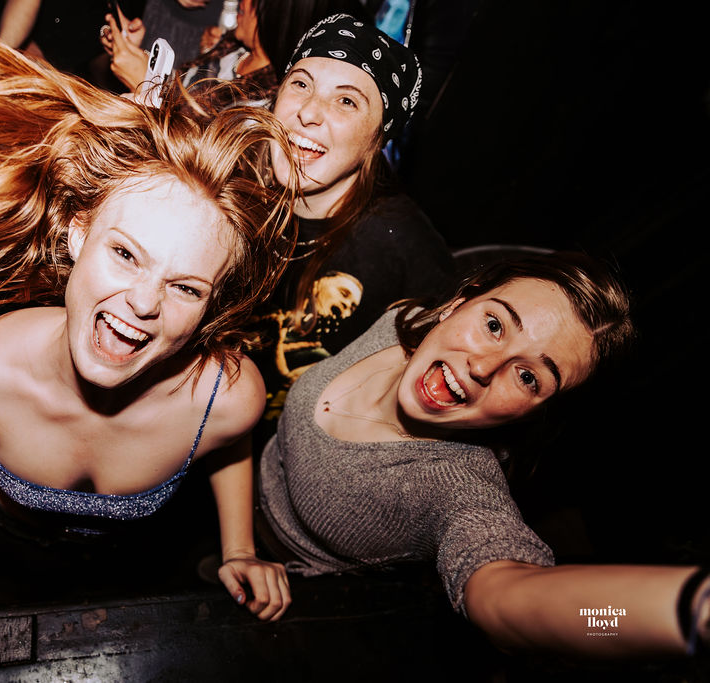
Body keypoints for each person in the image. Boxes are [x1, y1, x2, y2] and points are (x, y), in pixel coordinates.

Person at [0, 1, 297, 665]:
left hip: (142, 574)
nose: (143, 303)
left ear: (212, 303)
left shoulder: (227, 395)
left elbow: (228, 444)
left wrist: (239, 546)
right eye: (126, 254)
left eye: (187, 287)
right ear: (78, 232)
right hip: (13, 564)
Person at [258, 250, 710, 656]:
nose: (482, 366)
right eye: (494, 325)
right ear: (459, 303)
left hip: (281, 583)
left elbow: (509, 600)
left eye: (528, 377)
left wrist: (684, 613)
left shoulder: (457, 487)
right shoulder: (402, 322)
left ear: (536, 414)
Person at [253, 13, 453, 435]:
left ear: (377, 140)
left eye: (346, 101)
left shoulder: (405, 251)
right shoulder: (234, 192)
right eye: (301, 84)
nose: (308, 112)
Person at [103, 0, 362, 110]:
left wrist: (147, 84)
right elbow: (185, 88)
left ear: (275, 13)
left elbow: (197, 153)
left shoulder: (268, 100)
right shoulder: (236, 48)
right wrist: (139, 54)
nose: (240, 2)